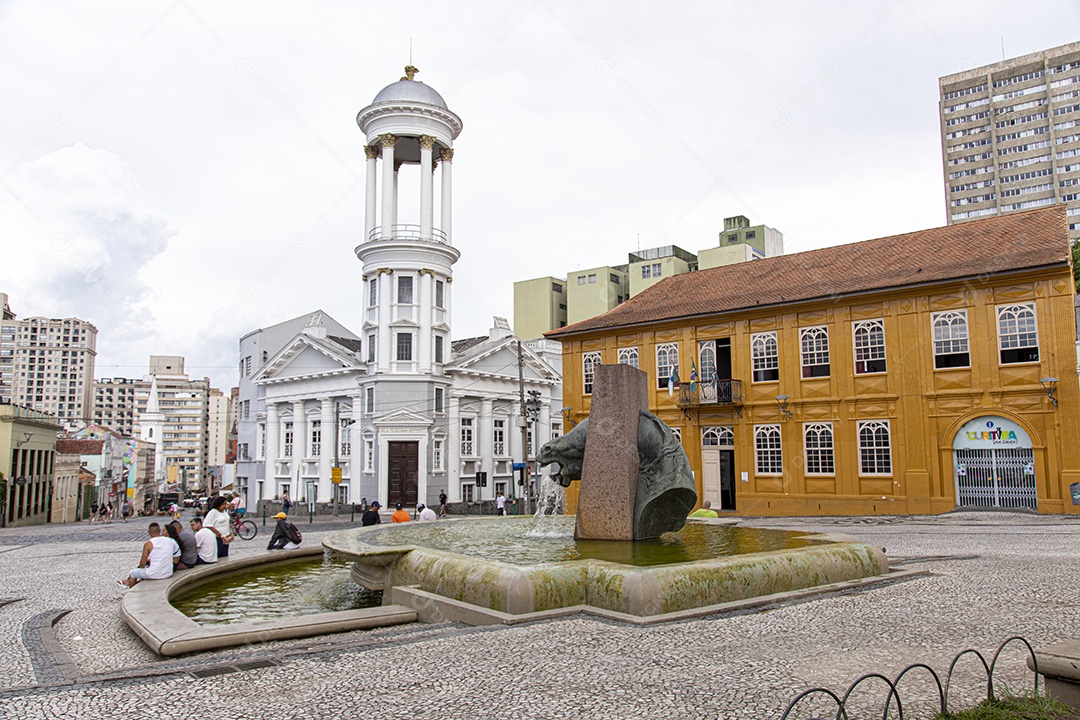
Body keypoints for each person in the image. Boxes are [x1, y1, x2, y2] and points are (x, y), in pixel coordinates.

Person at [118, 522, 179, 588]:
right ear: (160, 531)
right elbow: (176, 557)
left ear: (148, 532)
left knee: (133, 573)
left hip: (155, 573)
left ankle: (132, 591)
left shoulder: (149, 543)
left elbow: (142, 563)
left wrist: (142, 571)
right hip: (168, 573)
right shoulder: (170, 541)